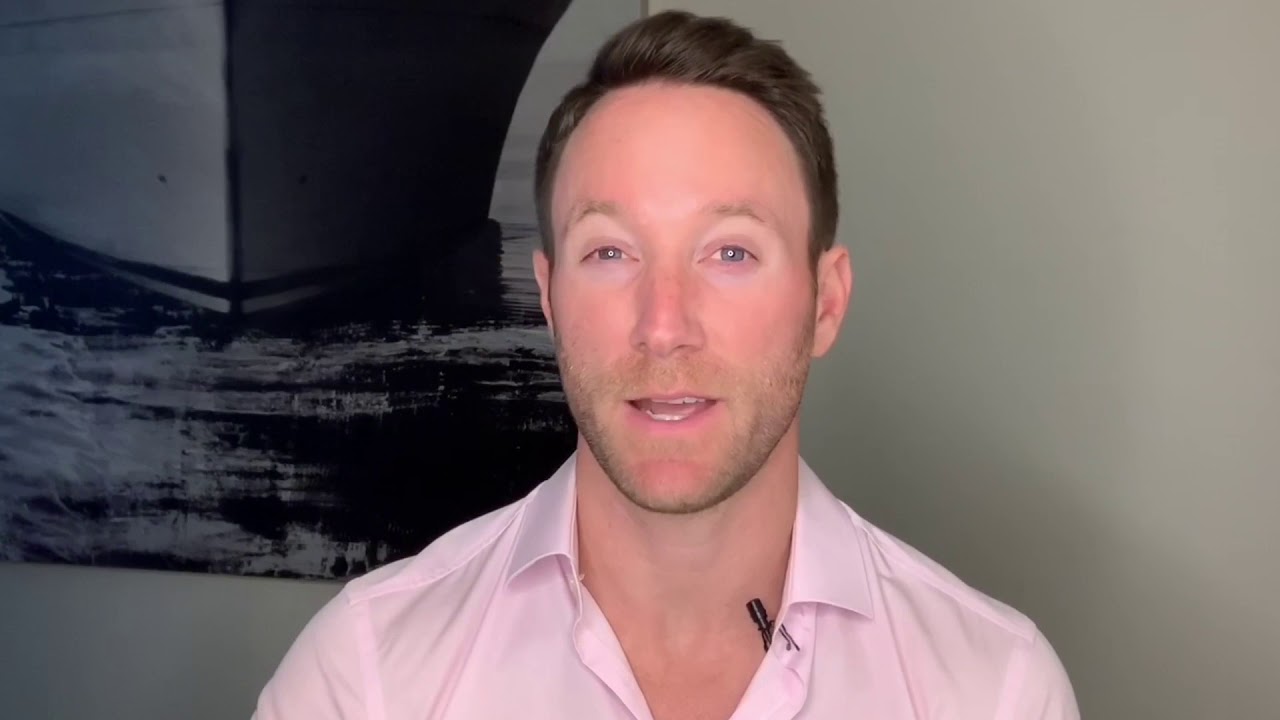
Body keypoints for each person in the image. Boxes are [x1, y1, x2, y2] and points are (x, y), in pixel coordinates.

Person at [253, 10, 1079, 719]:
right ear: (549, 300)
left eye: (730, 252)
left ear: (825, 304)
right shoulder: (366, 676)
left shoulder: (995, 691)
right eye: (610, 252)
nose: (664, 327)